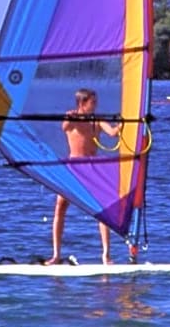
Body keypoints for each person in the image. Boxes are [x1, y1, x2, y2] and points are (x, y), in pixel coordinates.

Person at [45, 88, 120, 265]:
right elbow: (65, 127)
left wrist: (126, 122)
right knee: (60, 207)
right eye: (92, 102)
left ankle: (106, 255)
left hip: (92, 168)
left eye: (96, 101)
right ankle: (56, 255)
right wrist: (70, 117)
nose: (95, 105)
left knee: (102, 209)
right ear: (81, 103)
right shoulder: (72, 119)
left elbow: (112, 133)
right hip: (73, 167)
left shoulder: (97, 120)